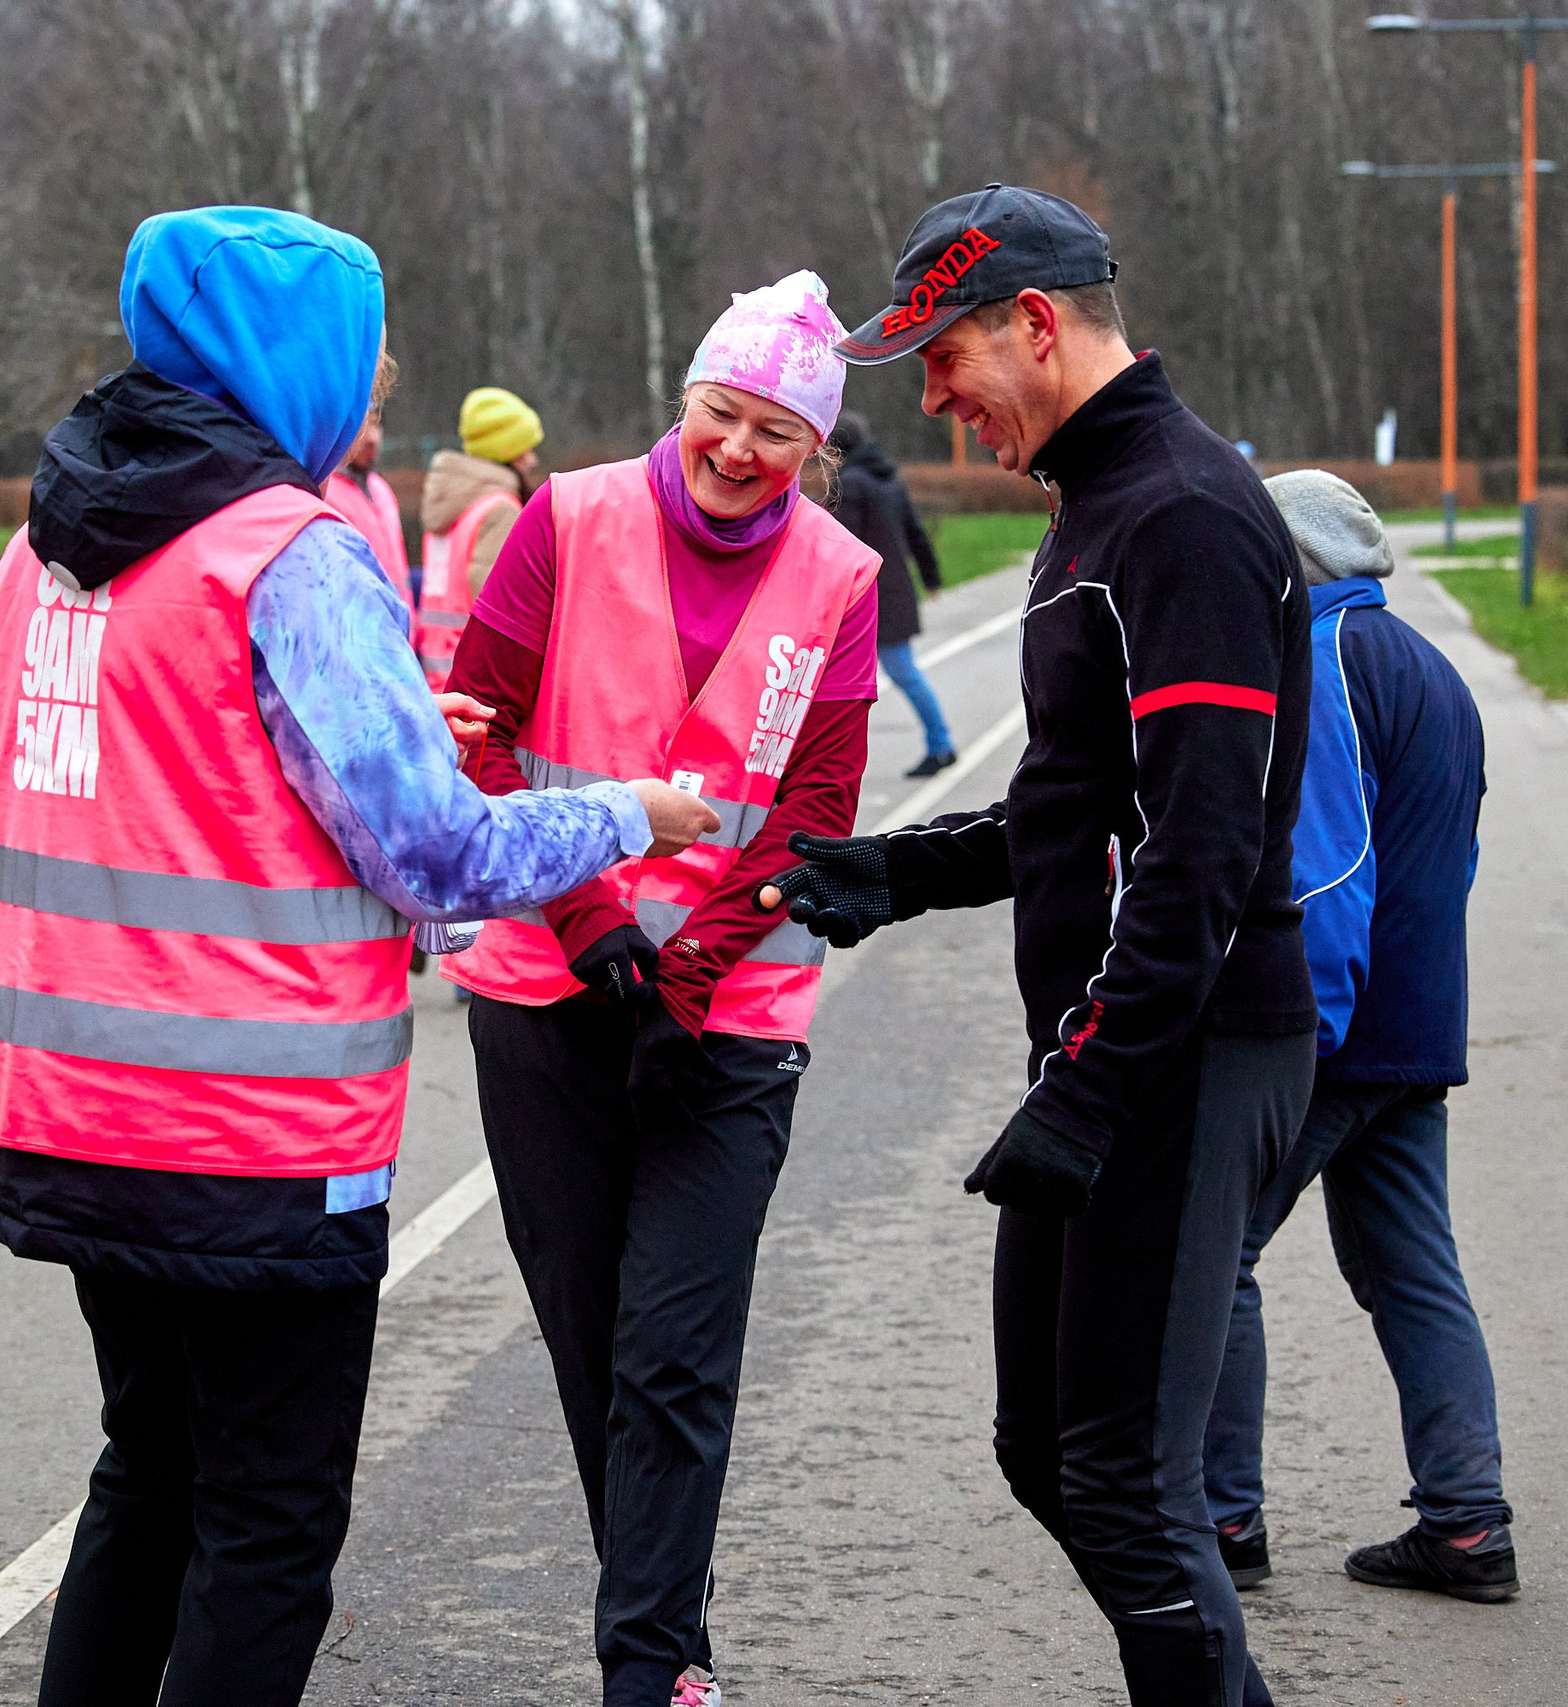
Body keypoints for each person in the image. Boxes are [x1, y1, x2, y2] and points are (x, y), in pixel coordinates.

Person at [0, 206, 717, 1707]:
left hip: (64, 1102)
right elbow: (433, 855)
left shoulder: (45, 538)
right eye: (363, 359)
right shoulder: (290, 552)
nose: (377, 392)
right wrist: (624, 811)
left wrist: (387, 747)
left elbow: (184, 785)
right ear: (287, 358)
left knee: (149, 1475)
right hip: (255, 1132)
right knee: (267, 1519)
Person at [769, 186, 1313, 1707]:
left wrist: (1088, 1089)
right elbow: (1076, 802)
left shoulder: (1186, 514)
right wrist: (899, 865)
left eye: (945, 360)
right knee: (1048, 1447)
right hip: (1121, 1052)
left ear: (1037, 322)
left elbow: (1202, 853)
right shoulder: (1096, 505)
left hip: (1186, 1051)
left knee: (1125, 1478)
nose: (936, 402)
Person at [441, 270, 881, 1707]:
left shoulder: (842, 577)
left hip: (730, 1013)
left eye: (777, 431)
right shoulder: (562, 519)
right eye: (722, 412)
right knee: (593, 1339)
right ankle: (666, 1621)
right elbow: (480, 733)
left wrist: (686, 964)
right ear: (680, 402)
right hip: (547, 992)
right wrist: (587, 919)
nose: (741, 449)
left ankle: (649, 1669)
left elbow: (817, 803)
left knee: (675, 1346)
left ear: (815, 449)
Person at [1202, 471, 1514, 1606]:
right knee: (1413, 1270)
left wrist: (1302, 1040)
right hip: (1421, 1022)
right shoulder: (1432, 671)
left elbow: (1327, 870)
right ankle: (1467, 1524)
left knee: (1213, 1250)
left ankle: (1219, 1513)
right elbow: (1457, 856)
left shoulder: (1317, 661)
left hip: (1334, 1027)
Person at [830, 409, 957, 775]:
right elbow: (915, 532)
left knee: (898, 672)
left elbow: (841, 545)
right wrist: (931, 578)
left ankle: (941, 743)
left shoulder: (851, 484)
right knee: (897, 671)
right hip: (896, 591)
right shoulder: (888, 479)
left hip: (872, 598)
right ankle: (940, 742)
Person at [414, 384, 542, 690]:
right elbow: (504, 614)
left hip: (435, 673)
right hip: (475, 684)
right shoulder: (500, 510)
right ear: (507, 452)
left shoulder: (450, 508)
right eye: (526, 449)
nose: (533, 460)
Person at [325, 383, 412, 612]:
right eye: (362, 427)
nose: (372, 438)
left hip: (402, 635)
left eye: (376, 425)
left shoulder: (381, 489)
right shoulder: (325, 495)